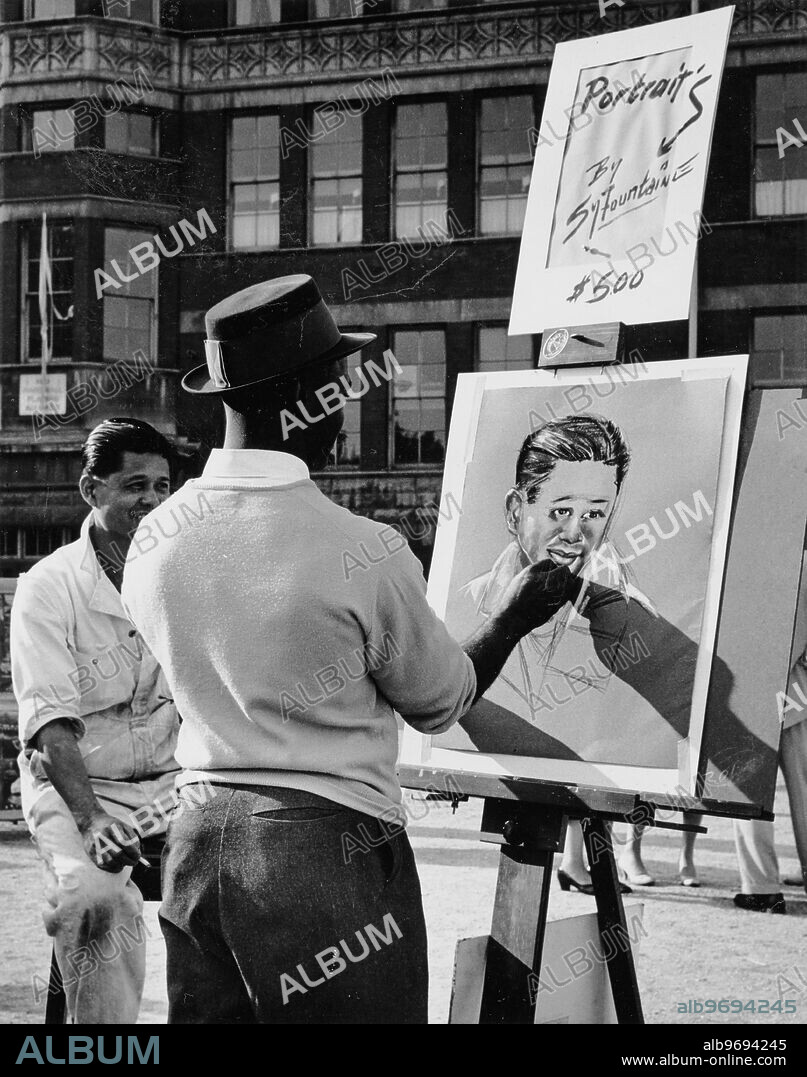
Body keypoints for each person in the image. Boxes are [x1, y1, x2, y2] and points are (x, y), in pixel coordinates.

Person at [121, 274, 581, 1024]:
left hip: (198, 842)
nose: (344, 401)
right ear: (302, 395)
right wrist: (512, 615)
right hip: (323, 850)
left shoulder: (155, 538)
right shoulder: (362, 548)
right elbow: (440, 700)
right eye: (335, 382)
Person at [11, 418, 181, 1023]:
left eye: (163, 486)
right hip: (78, 787)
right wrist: (90, 822)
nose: (153, 501)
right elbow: (50, 724)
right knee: (93, 898)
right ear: (92, 489)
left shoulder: (178, 576)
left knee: (259, 872)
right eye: (136, 485)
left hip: (174, 788)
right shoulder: (48, 586)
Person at [731, 552, 807, 913]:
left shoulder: (744, 552)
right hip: (800, 693)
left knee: (749, 792)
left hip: (750, 690)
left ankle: (761, 887)